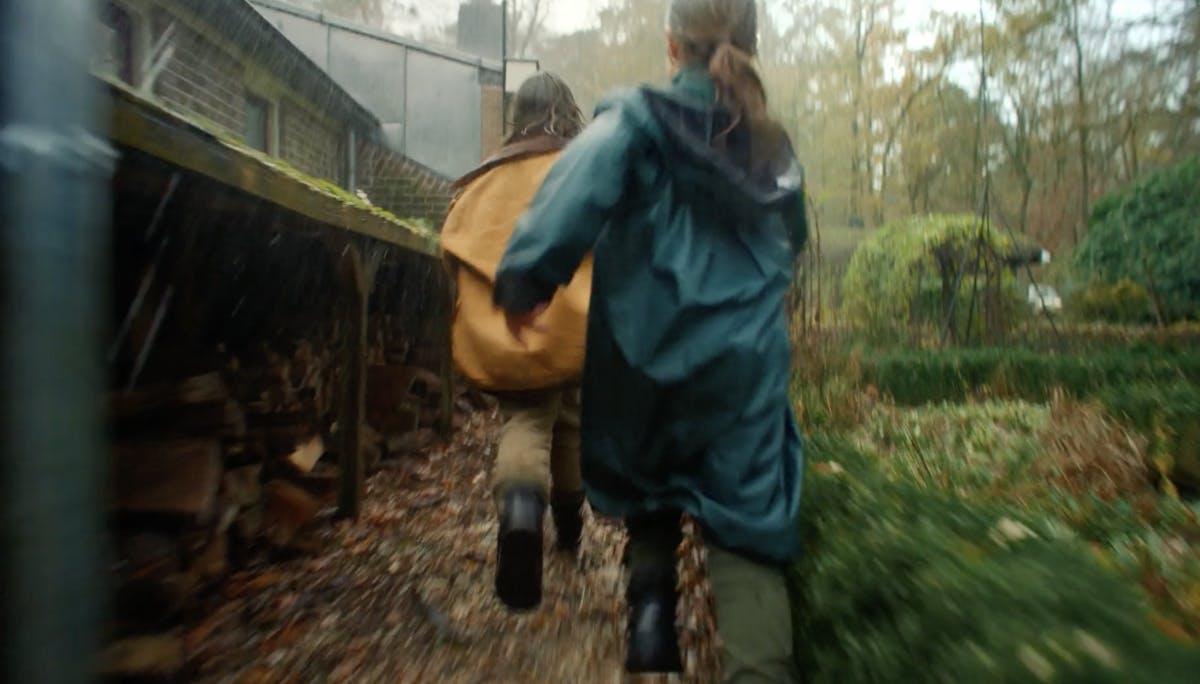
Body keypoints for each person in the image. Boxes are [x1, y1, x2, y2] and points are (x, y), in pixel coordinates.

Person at [493, 0, 807, 680]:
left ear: (671, 45)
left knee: (650, 477)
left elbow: (572, 192)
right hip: (742, 369)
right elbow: (795, 238)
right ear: (749, 47)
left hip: (645, 353)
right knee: (747, 534)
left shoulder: (636, 120)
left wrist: (526, 279)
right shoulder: (772, 145)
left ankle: (651, 622)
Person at [439, 72, 590, 611]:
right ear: (567, 112)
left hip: (509, 330)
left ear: (517, 116)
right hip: (573, 329)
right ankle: (569, 525)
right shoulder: (580, 172)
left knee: (525, 420)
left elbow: (451, 254)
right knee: (570, 420)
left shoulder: (483, 182)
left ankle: (522, 514)